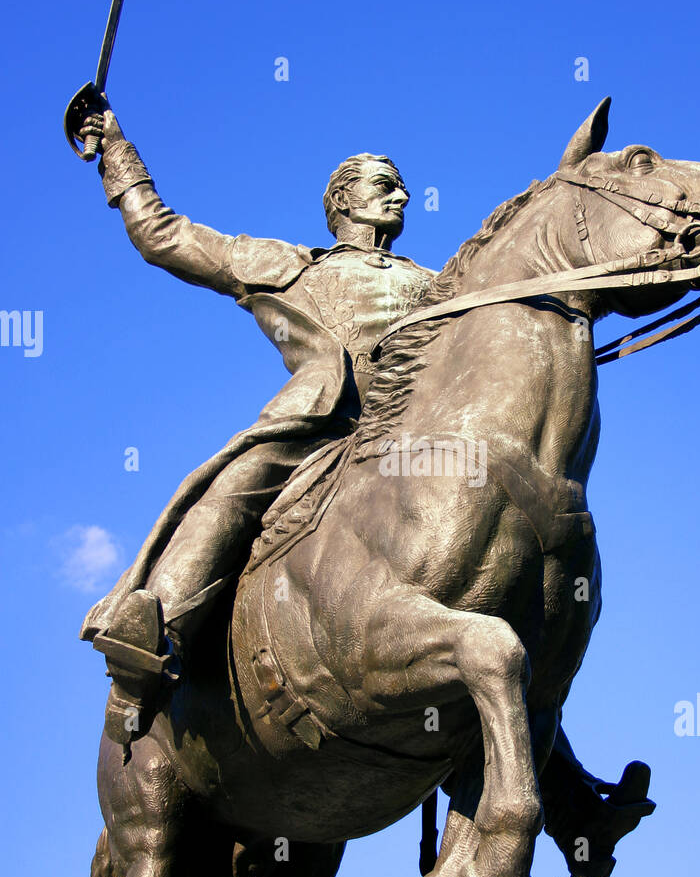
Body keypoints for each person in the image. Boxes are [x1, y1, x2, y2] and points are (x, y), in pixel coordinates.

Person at [76, 99, 434, 746]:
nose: (405, 196)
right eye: (387, 186)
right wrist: (114, 149)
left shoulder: (442, 286)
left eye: (404, 187)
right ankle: (149, 646)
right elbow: (164, 234)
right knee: (238, 486)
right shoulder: (289, 266)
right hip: (325, 428)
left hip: (423, 442)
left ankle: (567, 789)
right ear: (344, 201)